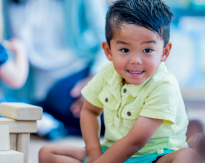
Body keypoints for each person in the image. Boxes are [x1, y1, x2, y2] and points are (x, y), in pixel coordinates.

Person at [39, 0, 201, 162]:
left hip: (155, 157)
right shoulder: (107, 73)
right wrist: (94, 152)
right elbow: (89, 111)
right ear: (108, 52)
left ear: (164, 53)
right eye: (125, 50)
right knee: (47, 152)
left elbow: (134, 142)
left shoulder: (164, 86)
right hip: (112, 152)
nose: (136, 60)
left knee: (187, 155)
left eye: (147, 50)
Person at [2, 0, 108, 138]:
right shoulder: (5, 4)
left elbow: (110, 38)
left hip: (80, 71)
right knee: (12, 106)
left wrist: (94, 80)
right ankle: (55, 123)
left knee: (61, 99)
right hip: (34, 85)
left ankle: (55, 124)